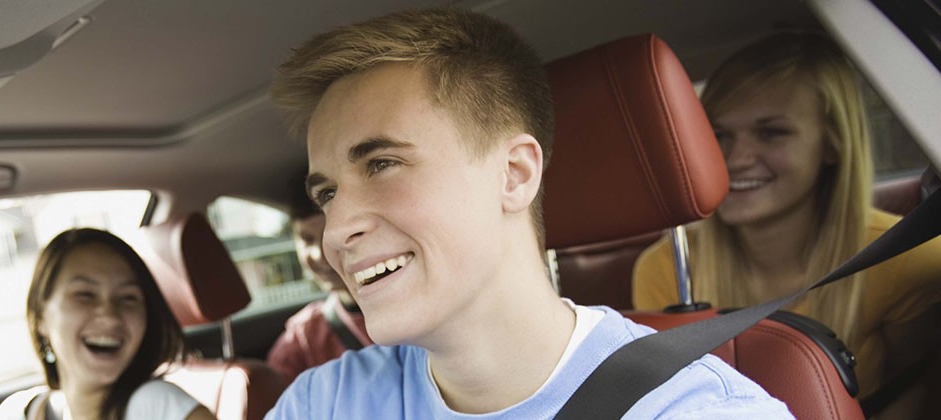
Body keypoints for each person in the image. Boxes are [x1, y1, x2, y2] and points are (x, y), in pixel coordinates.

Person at [266, 7, 790, 418]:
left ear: (514, 174)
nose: (336, 231)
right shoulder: (323, 402)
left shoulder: (693, 411)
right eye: (327, 195)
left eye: (382, 164)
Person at [631, 33, 941, 416]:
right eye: (719, 135)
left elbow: (912, 393)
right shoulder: (667, 271)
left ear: (832, 144)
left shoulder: (908, 260)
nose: (735, 158)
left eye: (772, 132)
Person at [0, 228, 215, 420]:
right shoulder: (17, 411)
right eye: (85, 295)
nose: (110, 316)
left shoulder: (159, 408)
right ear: (41, 316)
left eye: (128, 298)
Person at [266, 173, 372, 383]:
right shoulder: (300, 343)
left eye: (327, 236)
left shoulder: (410, 315)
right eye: (306, 239)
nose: (318, 254)